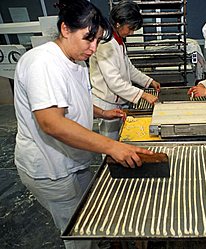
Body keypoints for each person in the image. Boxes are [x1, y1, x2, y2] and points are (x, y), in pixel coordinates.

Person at [13, 1, 153, 248]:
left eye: (98, 40)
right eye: (89, 39)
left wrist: (101, 112)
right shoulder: (43, 63)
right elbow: (52, 123)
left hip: (74, 159)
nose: (94, 48)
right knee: (78, 230)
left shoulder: (75, 61)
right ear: (65, 29)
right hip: (51, 167)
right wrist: (111, 146)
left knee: (91, 211)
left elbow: (72, 102)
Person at [89, 0, 161, 140]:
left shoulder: (118, 41)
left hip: (117, 100)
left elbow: (129, 69)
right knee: (109, 143)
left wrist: (149, 81)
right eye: (130, 28)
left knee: (119, 139)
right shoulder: (105, 44)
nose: (132, 32)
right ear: (118, 23)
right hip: (106, 102)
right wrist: (143, 95)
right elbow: (114, 83)